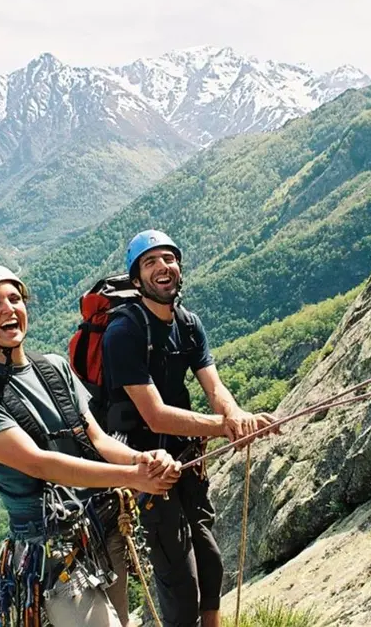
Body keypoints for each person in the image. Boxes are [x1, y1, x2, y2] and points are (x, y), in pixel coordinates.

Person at [0, 264, 180, 626]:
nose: (8, 308)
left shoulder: (54, 367)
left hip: (103, 529)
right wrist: (133, 476)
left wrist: (144, 460)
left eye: (15, 299)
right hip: (51, 548)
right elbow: (39, 463)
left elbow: (97, 440)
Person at [102, 230, 277, 627]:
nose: (163, 267)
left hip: (186, 458)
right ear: (136, 280)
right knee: (180, 578)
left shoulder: (188, 323)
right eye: (150, 262)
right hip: (147, 467)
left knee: (210, 561)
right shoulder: (124, 332)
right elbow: (155, 415)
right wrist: (226, 427)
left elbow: (214, 387)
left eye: (169, 258)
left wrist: (236, 416)